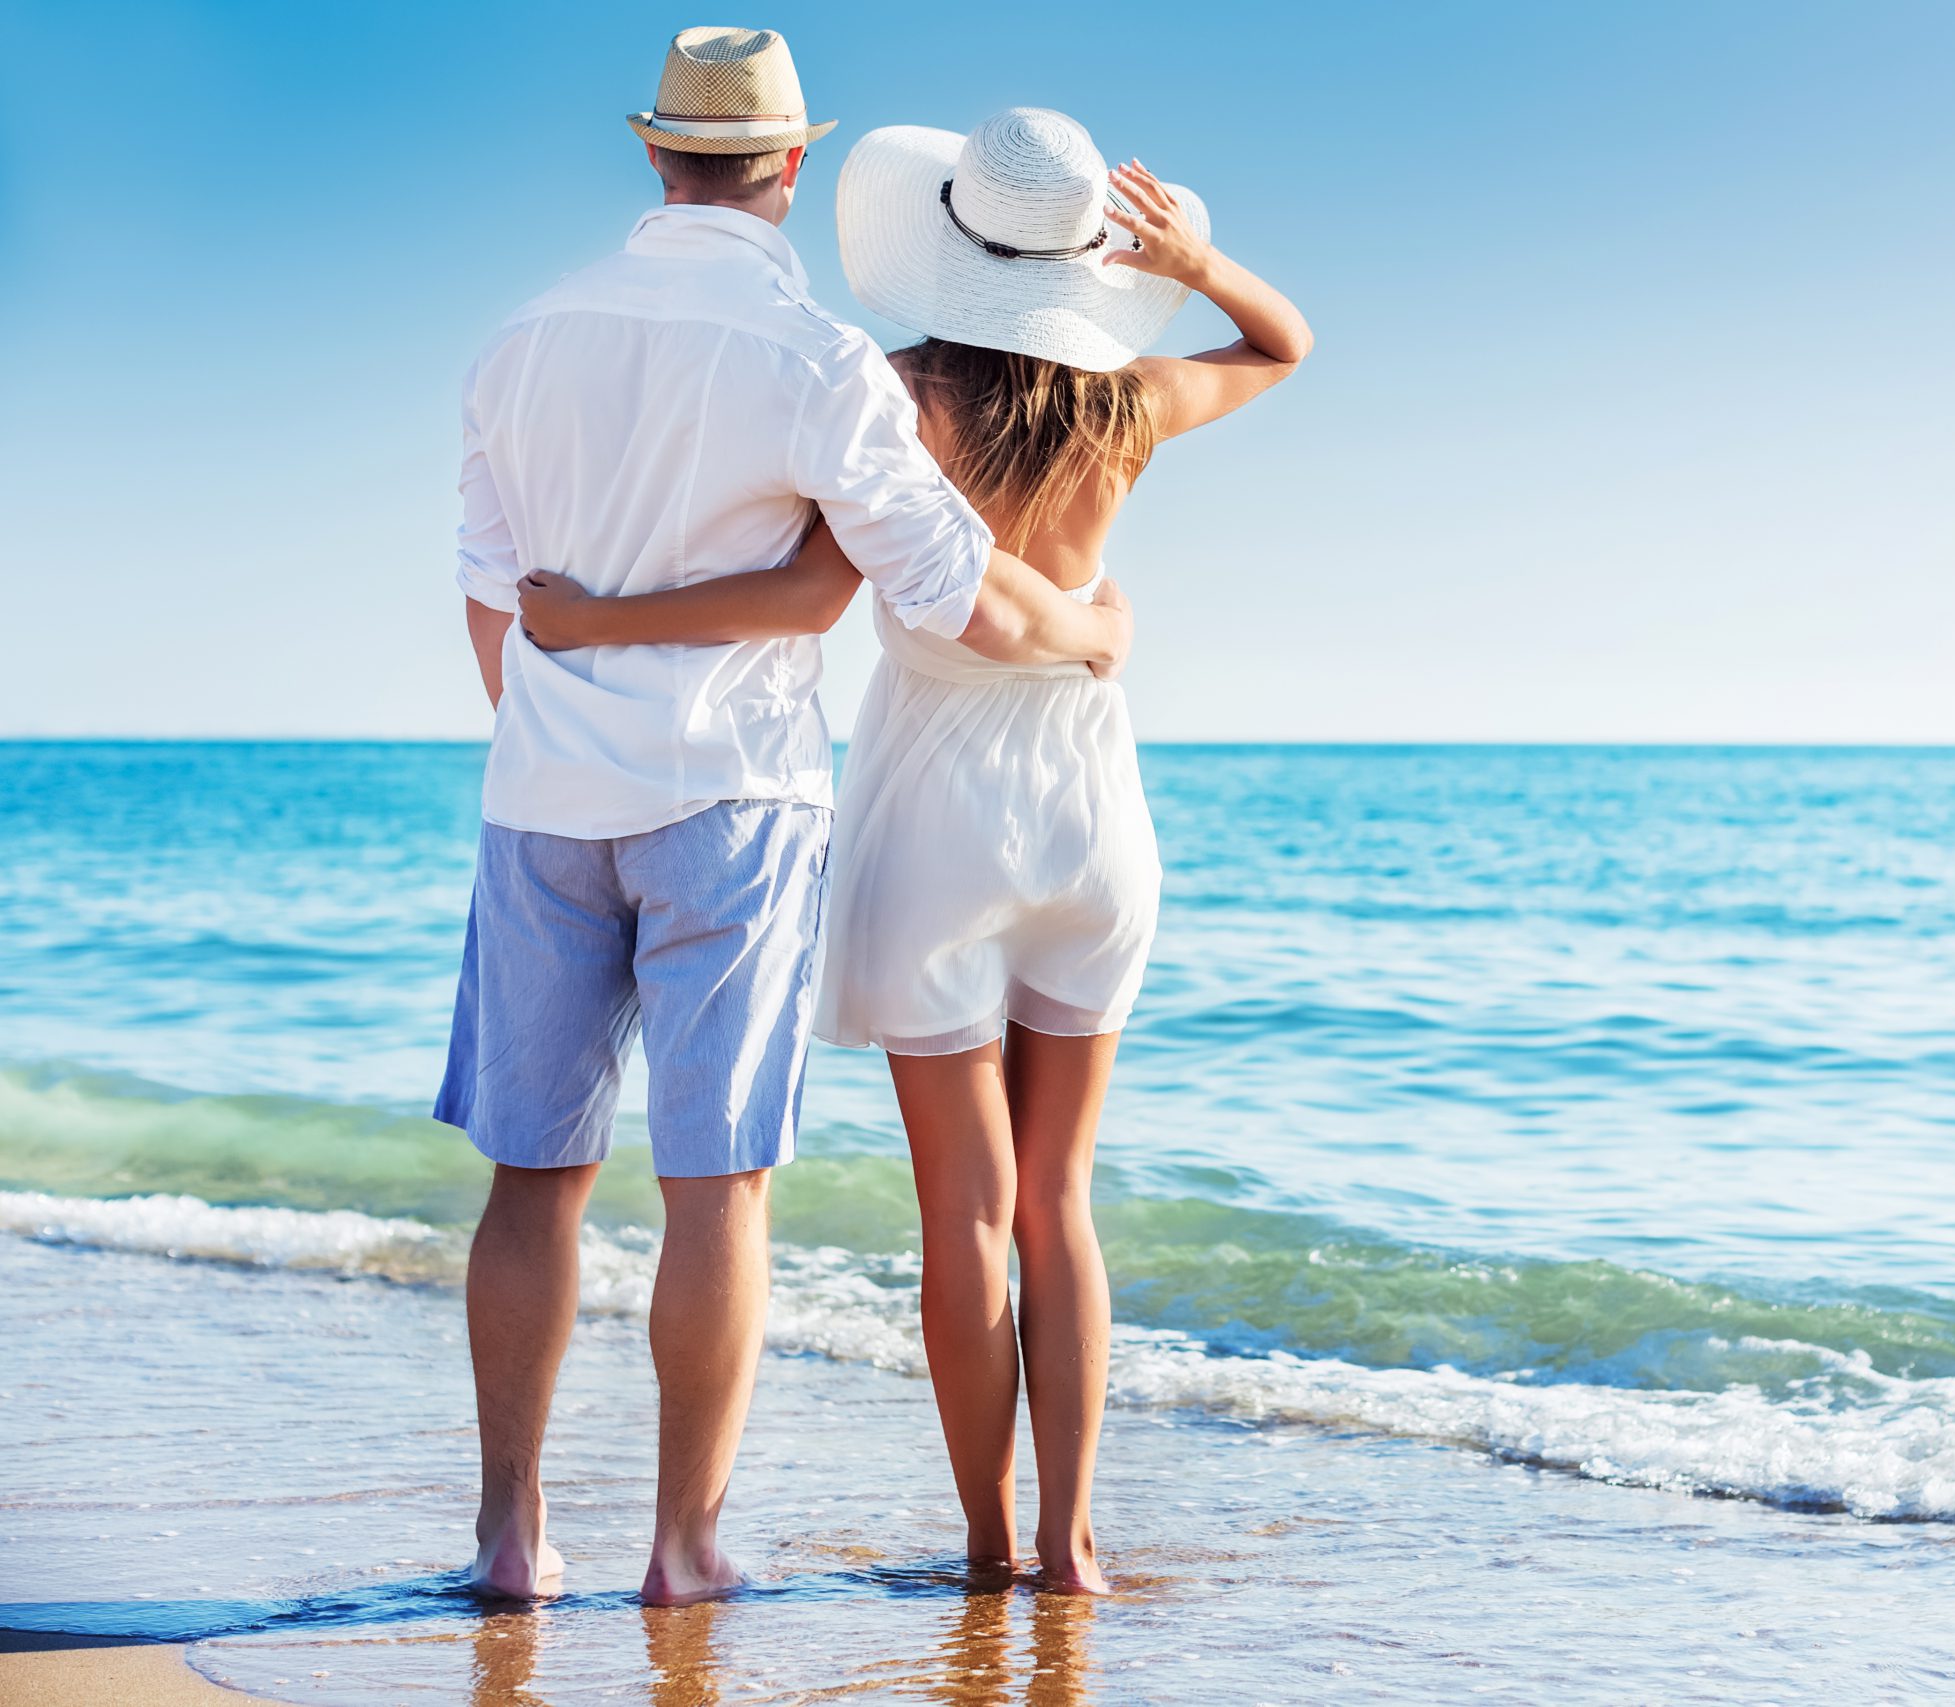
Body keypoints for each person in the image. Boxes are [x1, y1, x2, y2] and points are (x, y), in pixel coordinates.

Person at [517, 107, 1312, 1592]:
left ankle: (990, 1541)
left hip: (936, 813)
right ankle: (1072, 1547)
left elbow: (802, 590)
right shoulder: (1130, 403)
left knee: (969, 1209)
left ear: (949, 249)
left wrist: (598, 622)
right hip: (1089, 807)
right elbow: (1283, 346)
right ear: (1084, 264)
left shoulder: (898, 398)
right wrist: (1197, 261)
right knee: (1064, 1201)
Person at [435, 37, 1132, 1609]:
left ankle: (507, 1535)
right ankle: (681, 1546)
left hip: (542, 799)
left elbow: (492, 607)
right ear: (793, 169)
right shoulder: (817, 357)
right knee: (716, 1182)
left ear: (655, 159)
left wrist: (567, 721)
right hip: (735, 800)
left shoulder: (518, 340)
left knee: (530, 1180)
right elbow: (949, 585)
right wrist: (1090, 636)